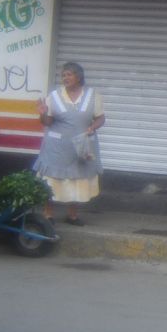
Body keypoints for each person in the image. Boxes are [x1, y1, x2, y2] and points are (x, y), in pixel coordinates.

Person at [34, 62, 105, 225]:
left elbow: (101, 117)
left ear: (78, 77)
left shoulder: (93, 95)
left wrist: (93, 126)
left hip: (81, 146)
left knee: (76, 178)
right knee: (52, 179)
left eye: (69, 74)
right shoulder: (54, 96)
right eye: (63, 75)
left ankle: (72, 215)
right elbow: (47, 122)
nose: (65, 78)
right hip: (57, 147)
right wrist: (43, 114)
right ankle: (48, 214)